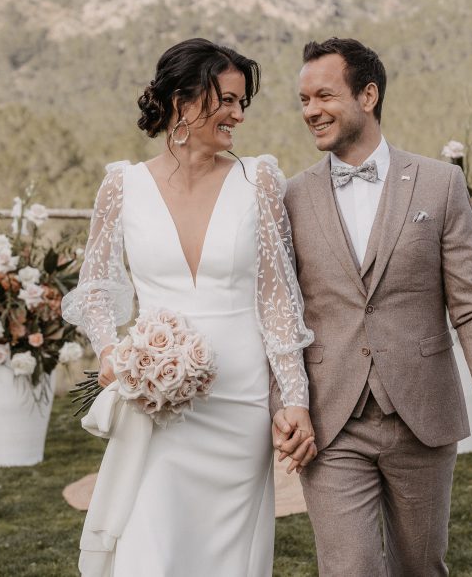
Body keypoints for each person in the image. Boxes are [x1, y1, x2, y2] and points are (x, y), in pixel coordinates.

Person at [62, 38, 317, 577]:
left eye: (242, 103)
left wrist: (292, 396)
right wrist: (112, 352)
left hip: (241, 402)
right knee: (151, 543)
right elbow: (97, 289)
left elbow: (277, 297)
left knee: (227, 553)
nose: (237, 115)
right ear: (182, 100)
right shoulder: (122, 186)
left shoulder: (260, 181)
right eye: (225, 100)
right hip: (158, 403)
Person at [272, 37, 472, 576]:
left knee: (421, 566)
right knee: (349, 569)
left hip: (422, 416)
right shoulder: (289, 196)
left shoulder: (440, 184)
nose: (310, 110)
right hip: (331, 419)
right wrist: (283, 400)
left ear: (367, 95)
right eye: (303, 99)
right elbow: (278, 312)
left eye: (323, 96)